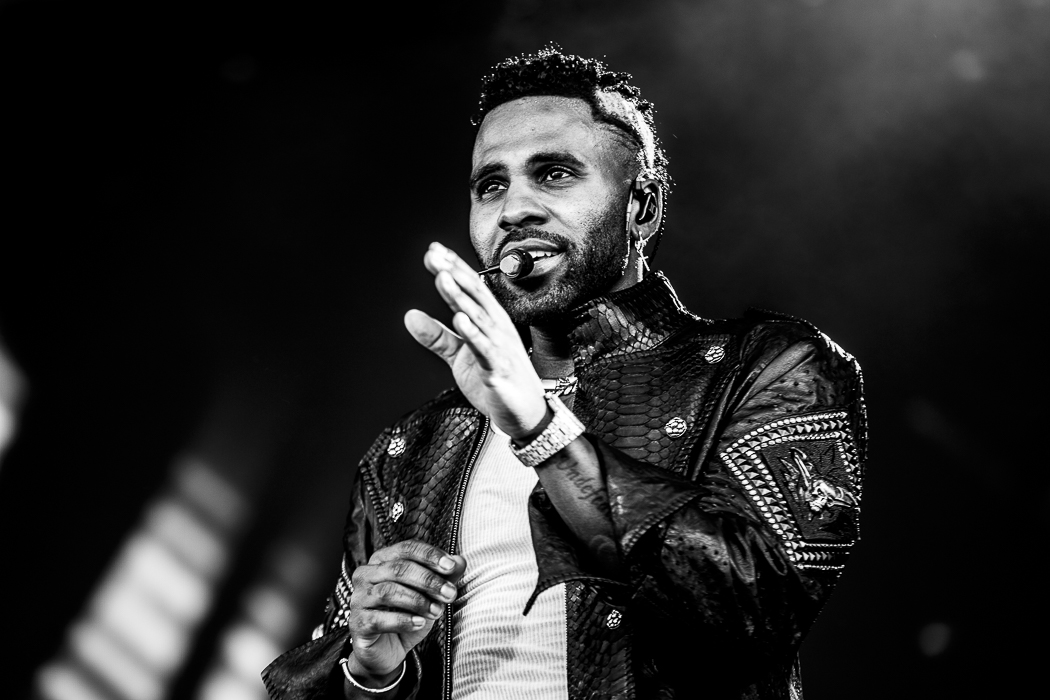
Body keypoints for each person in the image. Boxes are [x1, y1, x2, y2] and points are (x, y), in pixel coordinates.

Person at [262, 46, 867, 700]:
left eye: (553, 174)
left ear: (642, 207)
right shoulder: (410, 450)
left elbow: (762, 607)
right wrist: (373, 673)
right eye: (491, 185)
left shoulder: (773, 364)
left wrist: (542, 430)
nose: (513, 209)